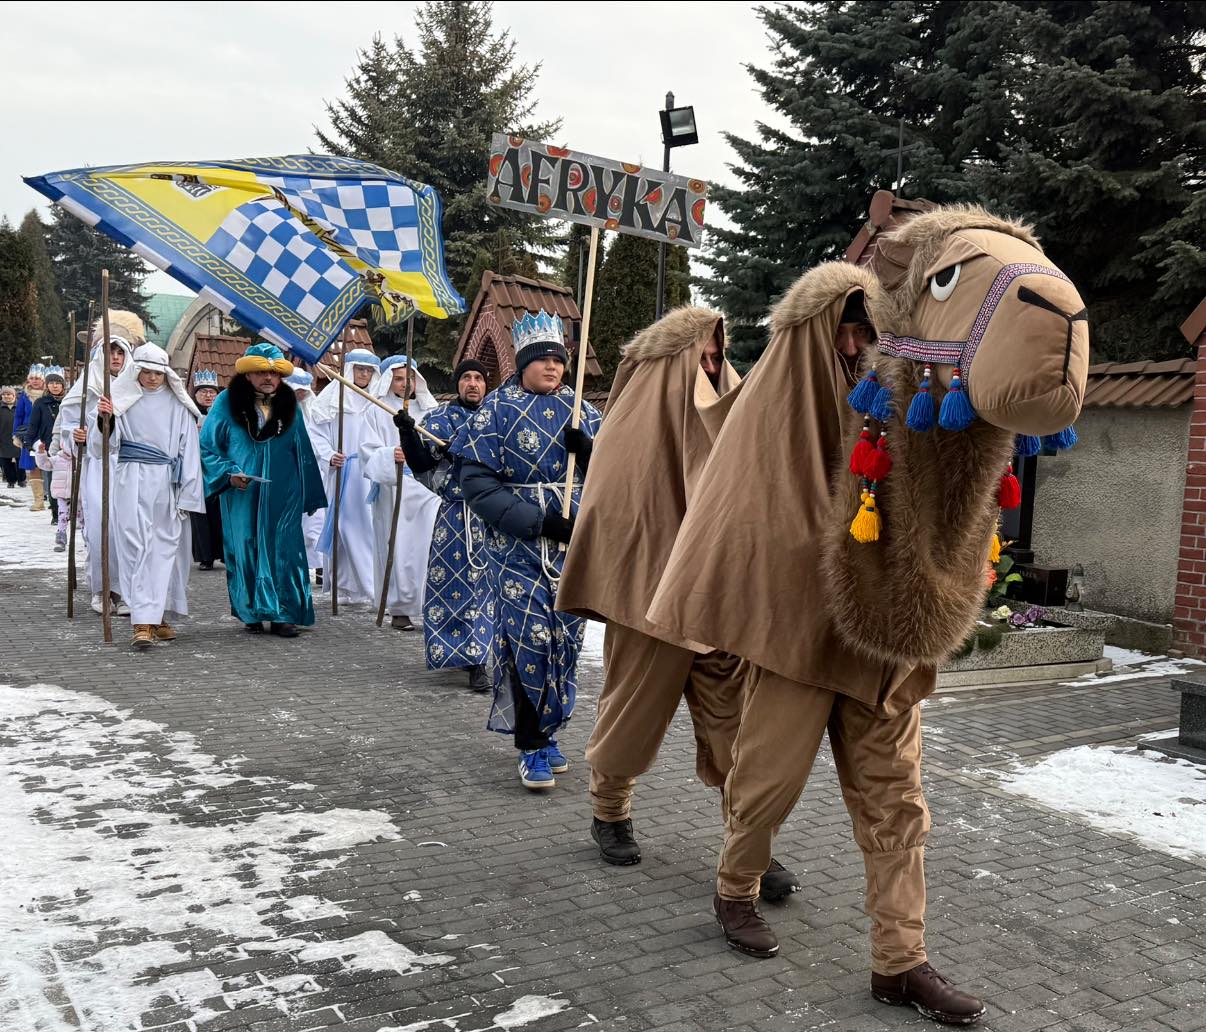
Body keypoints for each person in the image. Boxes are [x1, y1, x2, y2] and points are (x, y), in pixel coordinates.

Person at [555, 307, 798, 898]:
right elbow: (617, 513)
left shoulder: (739, 413)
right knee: (631, 715)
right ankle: (609, 813)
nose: (713, 367)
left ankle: (749, 846)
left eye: (718, 357)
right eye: (702, 358)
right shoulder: (635, 426)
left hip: (719, 605)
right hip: (650, 606)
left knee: (737, 731)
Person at [449, 311, 601, 791]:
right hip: (518, 551)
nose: (553, 368)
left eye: (559, 361)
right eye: (543, 361)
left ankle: (550, 732)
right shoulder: (497, 410)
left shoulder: (584, 413)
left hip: (572, 551)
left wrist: (594, 451)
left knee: (564, 643)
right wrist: (540, 522)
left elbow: (620, 476)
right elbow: (477, 485)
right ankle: (530, 745)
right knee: (526, 642)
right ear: (523, 364)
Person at [199, 342, 326, 637]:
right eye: (260, 372)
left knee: (286, 550)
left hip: (285, 491)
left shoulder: (289, 403)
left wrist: (309, 493)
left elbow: (302, 448)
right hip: (242, 490)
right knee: (245, 547)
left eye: (273, 373)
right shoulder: (226, 402)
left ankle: (284, 614)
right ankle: (251, 611)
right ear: (247, 375)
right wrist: (228, 475)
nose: (268, 378)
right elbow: (208, 447)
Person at [93, 344, 205, 648]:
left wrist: (188, 494)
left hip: (167, 483)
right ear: (136, 371)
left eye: (158, 373)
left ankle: (157, 615)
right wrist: (107, 420)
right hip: (132, 481)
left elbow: (189, 451)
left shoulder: (177, 405)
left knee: (165, 549)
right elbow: (99, 445)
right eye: (146, 372)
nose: (153, 378)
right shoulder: (121, 401)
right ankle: (141, 620)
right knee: (134, 546)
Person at [396, 358, 493, 692]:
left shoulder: (499, 416)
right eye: (466, 377)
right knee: (453, 585)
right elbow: (422, 462)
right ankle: (459, 651)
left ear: (486, 384)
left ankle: (482, 657)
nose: (472, 383)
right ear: (458, 384)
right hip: (454, 517)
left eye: (478, 378)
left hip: (494, 514)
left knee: (488, 588)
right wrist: (408, 434)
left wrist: (466, 451)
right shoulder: (439, 419)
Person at [56, 314, 138, 616]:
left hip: (128, 466)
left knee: (127, 528)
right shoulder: (84, 388)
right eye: (110, 352)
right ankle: (102, 589)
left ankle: (125, 590)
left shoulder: (135, 387)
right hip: (96, 464)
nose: (115, 357)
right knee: (100, 528)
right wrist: (75, 437)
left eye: (120, 352)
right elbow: (66, 430)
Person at [360, 355, 440, 630]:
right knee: (399, 547)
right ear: (387, 381)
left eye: (410, 378)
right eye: (398, 378)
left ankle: (430, 604)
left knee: (427, 547)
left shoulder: (430, 410)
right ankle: (400, 607)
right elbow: (366, 451)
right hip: (395, 487)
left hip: (426, 490)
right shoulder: (376, 409)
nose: (406, 384)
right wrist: (389, 454)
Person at [308, 349, 382, 606]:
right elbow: (315, 432)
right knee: (345, 529)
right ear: (349, 370)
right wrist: (329, 454)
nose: (364, 374)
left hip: (371, 473)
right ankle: (347, 585)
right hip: (344, 473)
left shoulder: (377, 400)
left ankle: (369, 586)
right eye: (359, 369)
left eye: (369, 370)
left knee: (369, 530)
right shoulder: (332, 400)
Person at [284, 369, 326, 586]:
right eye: (297, 391)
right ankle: (295, 566)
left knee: (316, 523)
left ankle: (319, 566)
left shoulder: (311, 414)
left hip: (312, 475)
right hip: (287, 476)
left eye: (304, 392)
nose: (301, 396)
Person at [188, 370, 224, 571]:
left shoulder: (223, 415)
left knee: (221, 513)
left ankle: (225, 553)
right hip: (197, 470)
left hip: (219, 470)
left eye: (212, 392)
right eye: (204, 392)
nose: (208, 395)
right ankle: (205, 556)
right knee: (200, 513)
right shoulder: (189, 415)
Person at [26, 365, 67, 525]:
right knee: (52, 482)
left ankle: (71, 511)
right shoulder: (41, 403)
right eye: (51, 383)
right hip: (49, 447)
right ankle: (56, 513)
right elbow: (33, 425)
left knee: (70, 480)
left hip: (68, 447)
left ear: (63, 385)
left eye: (58, 383)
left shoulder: (69, 401)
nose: (55, 385)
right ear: (47, 385)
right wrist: (29, 442)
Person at [14, 365, 46, 511]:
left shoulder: (48, 394)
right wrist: (16, 434)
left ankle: (52, 497)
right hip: (29, 435)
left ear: (43, 380)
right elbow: (19, 415)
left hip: (46, 434)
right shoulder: (24, 396)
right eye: (32, 378)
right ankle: (38, 501)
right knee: (33, 467)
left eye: (37, 378)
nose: (34, 381)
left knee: (48, 465)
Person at [1, 386, 25, 488]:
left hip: (18, 437)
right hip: (3, 438)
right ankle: (11, 481)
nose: (6, 396)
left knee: (20, 460)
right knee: (5, 461)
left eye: (9, 394)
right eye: (4, 394)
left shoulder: (20, 406)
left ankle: (21, 480)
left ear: (14, 395)